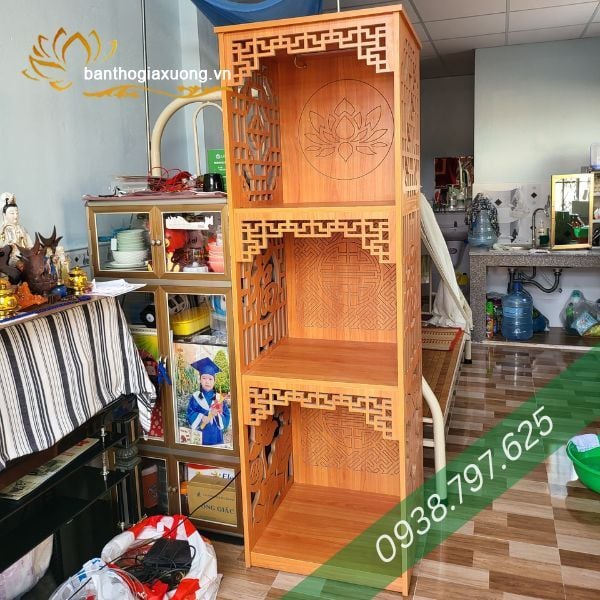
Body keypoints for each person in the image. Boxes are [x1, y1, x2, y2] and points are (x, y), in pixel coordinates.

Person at [186, 357, 230, 446]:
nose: (207, 381)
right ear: (200, 380)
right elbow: (189, 413)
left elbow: (226, 416)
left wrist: (217, 415)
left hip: (216, 435)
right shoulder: (196, 397)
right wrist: (201, 417)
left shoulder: (219, 398)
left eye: (210, 379)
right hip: (201, 434)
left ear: (214, 382)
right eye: (204, 378)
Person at [0, 194, 33, 265]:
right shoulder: (3, 230)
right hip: (11, 258)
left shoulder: (22, 229)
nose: (15, 216)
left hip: (25, 255)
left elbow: (30, 244)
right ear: (4, 215)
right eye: (12, 213)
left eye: (17, 213)